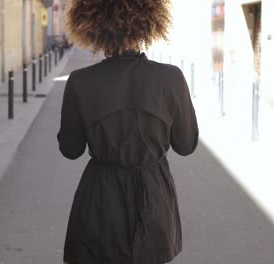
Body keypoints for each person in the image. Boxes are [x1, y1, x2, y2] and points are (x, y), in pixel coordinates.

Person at [57, 0, 199, 263]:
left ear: (93, 26)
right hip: (154, 193)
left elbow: (70, 149)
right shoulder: (171, 77)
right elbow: (186, 144)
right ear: (150, 23)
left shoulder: (80, 81)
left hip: (100, 196)